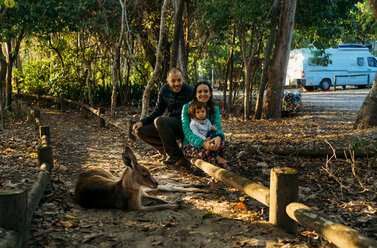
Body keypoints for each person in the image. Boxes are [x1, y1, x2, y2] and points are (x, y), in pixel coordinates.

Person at [133, 68, 193, 165]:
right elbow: (158, 111)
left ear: (183, 79)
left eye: (179, 80)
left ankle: (174, 155)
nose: (177, 83)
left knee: (160, 121)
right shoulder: (164, 90)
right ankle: (165, 151)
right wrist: (142, 122)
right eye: (173, 81)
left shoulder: (190, 91)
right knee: (140, 131)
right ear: (167, 81)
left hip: (185, 125)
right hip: (170, 124)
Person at [181, 81, 229, 168]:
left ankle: (221, 164)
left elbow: (217, 126)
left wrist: (218, 137)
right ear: (195, 94)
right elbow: (187, 131)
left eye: (206, 91)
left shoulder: (214, 108)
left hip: (209, 138)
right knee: (207, 151)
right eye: (200, 92)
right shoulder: (187, 107)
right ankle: (212, 174)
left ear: (210, 93)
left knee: (220, 144)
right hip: (191, 143)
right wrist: (203, 143)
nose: (203, 94)